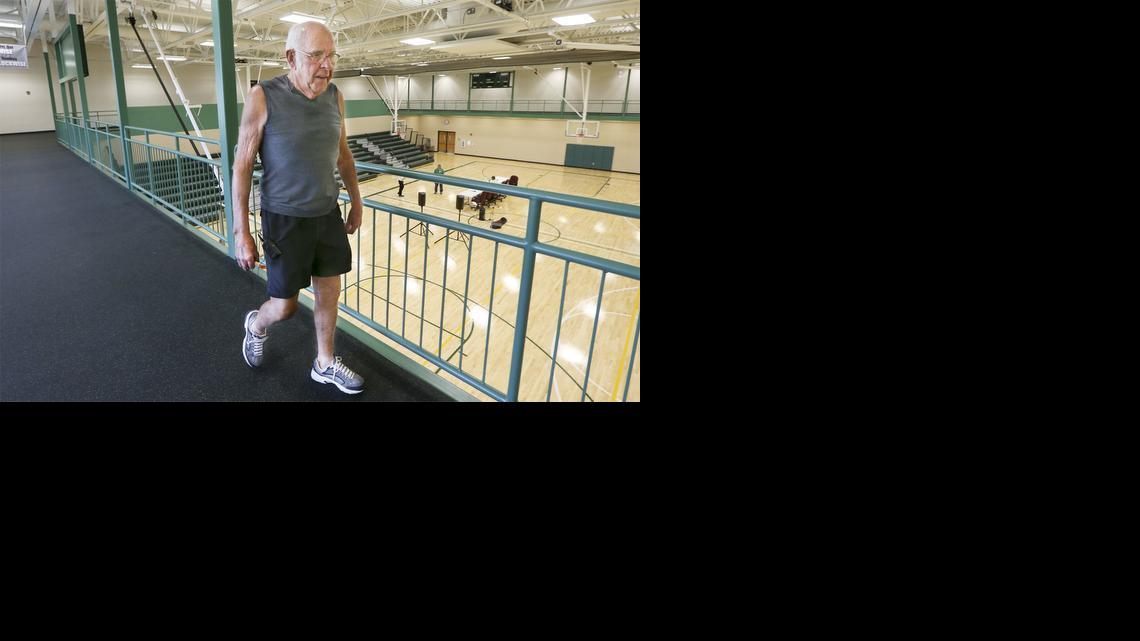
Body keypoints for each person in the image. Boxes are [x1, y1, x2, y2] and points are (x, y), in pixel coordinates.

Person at [232, 20, 365, 394]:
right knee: (286, 306)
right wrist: (242, 233)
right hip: (284, 219)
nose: (327, 65)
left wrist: (356, 201)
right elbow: (242, 165)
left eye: (331, 55)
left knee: (329, 292)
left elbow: (343, 156)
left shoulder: (335, 96)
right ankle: (257, 324)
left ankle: (324, 362)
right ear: (291, 58)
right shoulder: (263, 96)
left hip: (327, 214)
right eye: (316, 56)